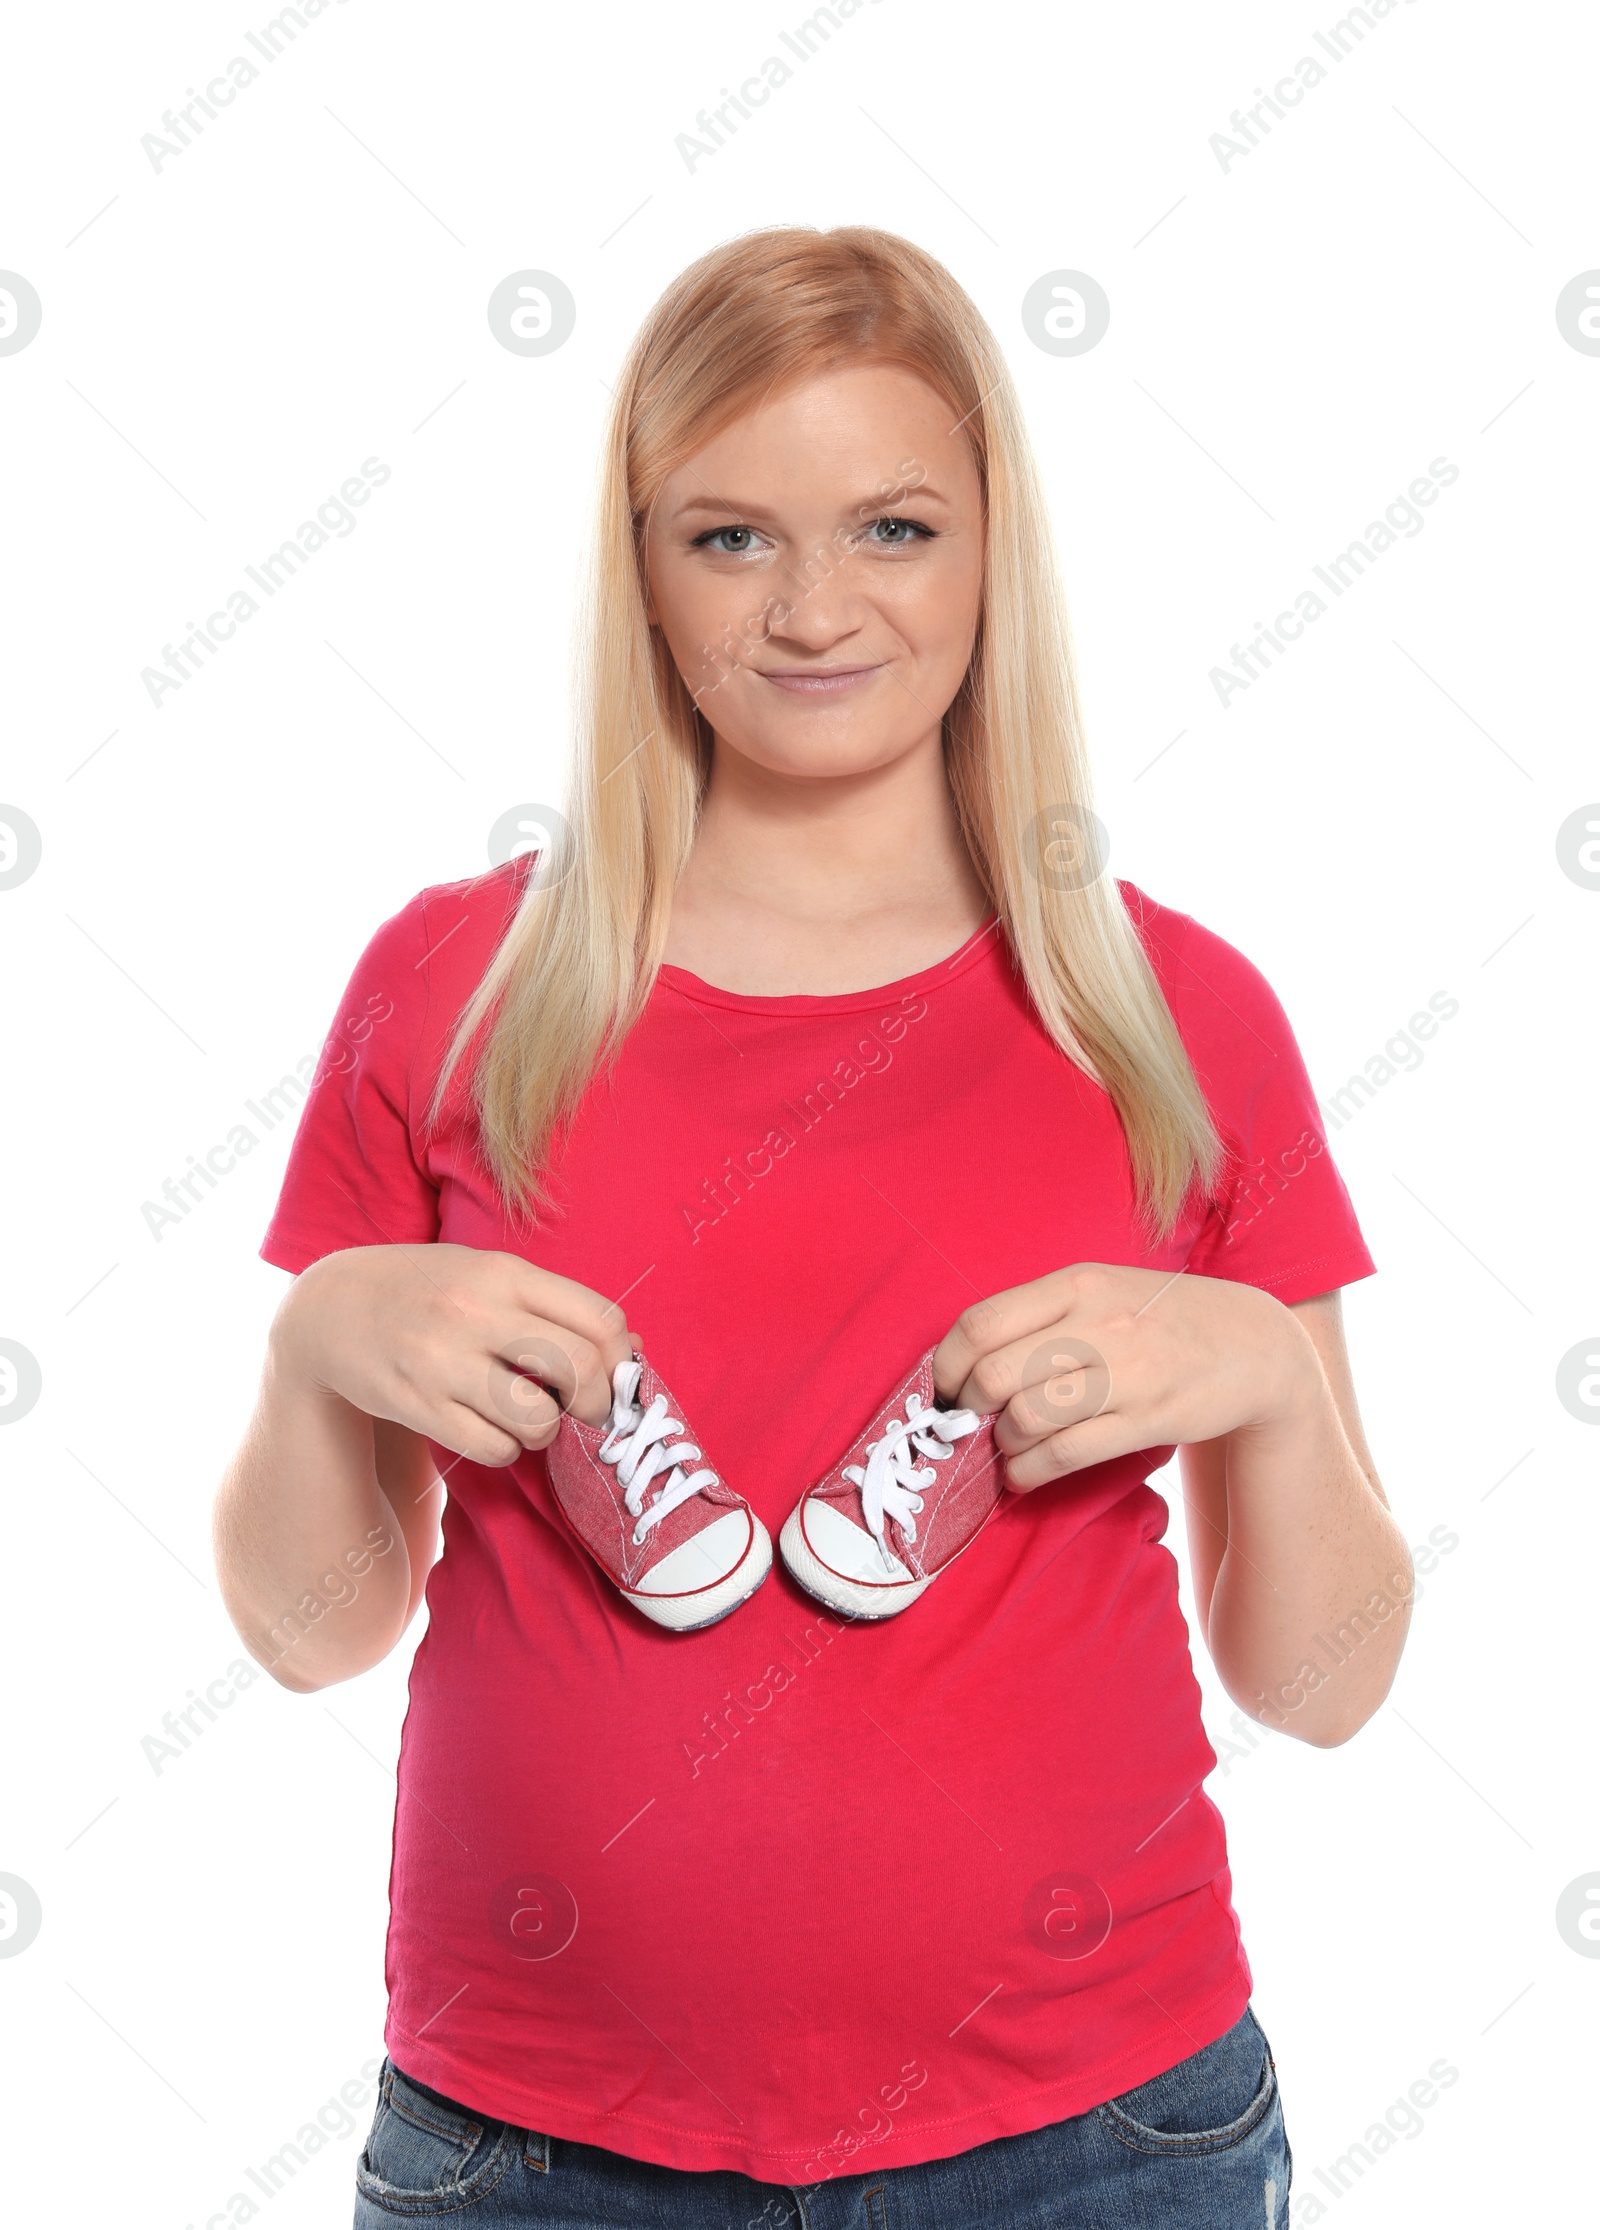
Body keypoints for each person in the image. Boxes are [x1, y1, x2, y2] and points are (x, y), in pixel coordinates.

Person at [213, 224, 1412, 2229]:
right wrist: (314, 1343)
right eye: (728, 538)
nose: (815, 608)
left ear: (986, 553)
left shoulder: (1169, 1011)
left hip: (1096, 2137)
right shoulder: (450, 988)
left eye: (891, 524)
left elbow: (1320, 1681)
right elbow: (309, 1630)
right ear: (638, 570)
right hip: (535, 2143)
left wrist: (1271, 1386)